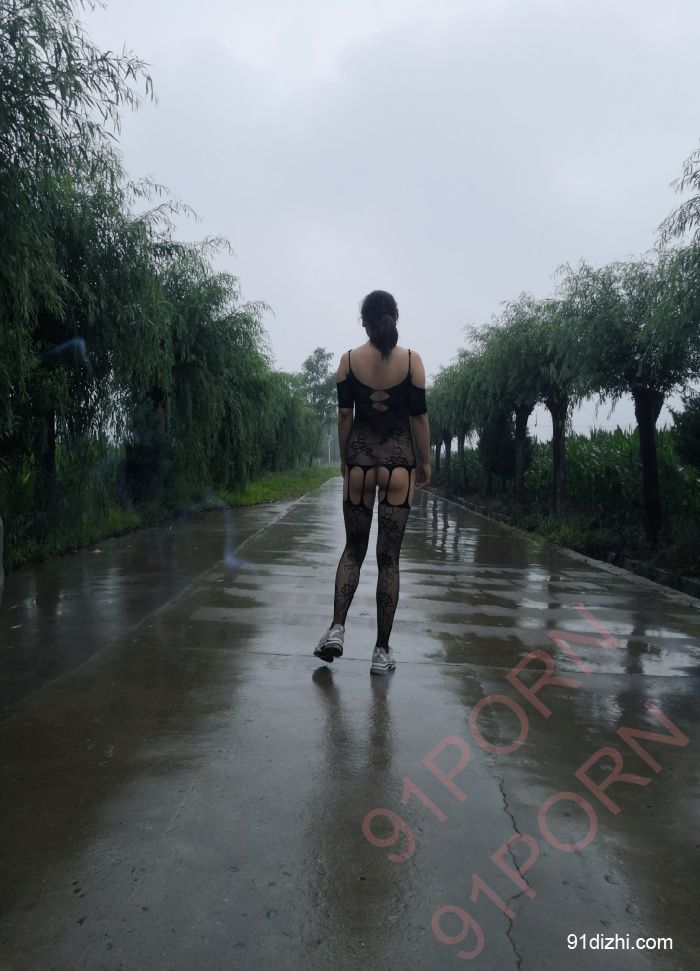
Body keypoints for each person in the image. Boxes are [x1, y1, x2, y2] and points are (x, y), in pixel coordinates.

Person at [313, 289, 431, 674]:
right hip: (399, 465)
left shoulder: (348, 361)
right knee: (389, 559)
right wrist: (425, 463)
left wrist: (345, 459)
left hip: (360, 462)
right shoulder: (412, 362)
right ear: (395, 316)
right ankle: (381, 651)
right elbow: (419, 419)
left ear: (364, 321)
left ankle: (337, 628)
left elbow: (345, 416)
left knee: (353, 550)